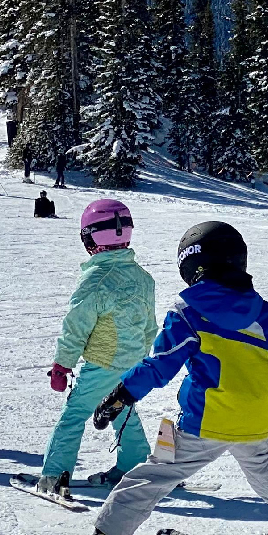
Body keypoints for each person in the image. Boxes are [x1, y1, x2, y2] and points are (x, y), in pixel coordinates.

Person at [74, 221, 268, 535]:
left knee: (154, 476)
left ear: (192, 266)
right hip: (255, 420)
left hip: (203, 421)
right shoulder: (265, 312)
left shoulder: (188, 310)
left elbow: (160, 363)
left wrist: (121, 395)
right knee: (266, 469)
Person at [33, 200, 157, 501]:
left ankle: (55, 474)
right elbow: (150, 327)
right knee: (122, 407)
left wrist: (62, 365)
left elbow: (76, 326)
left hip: (103, 361)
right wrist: (140, 358)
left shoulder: (95, 280)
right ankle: (135, 465)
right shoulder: (143, 277)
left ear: (90, 239)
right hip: (134, 362)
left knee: (75, 413)